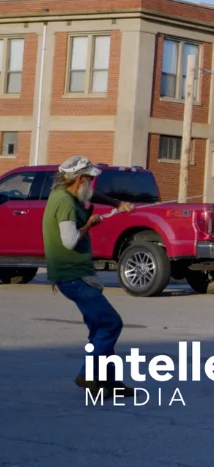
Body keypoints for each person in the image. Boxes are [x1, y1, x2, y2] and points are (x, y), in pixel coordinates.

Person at [42, 156, 135, 395]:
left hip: (78, 274)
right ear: (80, 179)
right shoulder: (64, 202)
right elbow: (70, 241)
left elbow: (91, 197)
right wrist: (90, 223)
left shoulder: (68, 193)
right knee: (111, 323)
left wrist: (117, 204)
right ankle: (87, 375)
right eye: (91, 179)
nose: (93, 184)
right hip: (72, 277)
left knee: (99, 328)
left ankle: (108, 383)